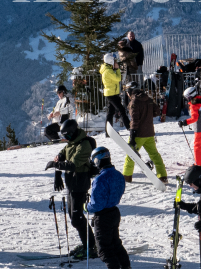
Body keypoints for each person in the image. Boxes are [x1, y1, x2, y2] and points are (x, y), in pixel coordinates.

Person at [45, 119, 98, 260]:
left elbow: (73, 164)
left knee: (77, 218)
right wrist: (57, 171)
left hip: (79, 184)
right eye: (64, 137)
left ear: (73, 133)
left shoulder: (84, 145)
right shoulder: (72, 142)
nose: (66, 139)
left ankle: (90, 247)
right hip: (71, 184)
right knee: (74, 217)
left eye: (67, 136)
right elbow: (62, 154)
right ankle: (89, 244)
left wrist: (57, 165)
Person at [86, 148, 130, 269]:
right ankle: (126, 266)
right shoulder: (118, 175)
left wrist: (86, 207)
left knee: (104, 250)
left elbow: (97, 204)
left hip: (103, 216)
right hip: (114, 212)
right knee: (115, 244)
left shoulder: (100, 179)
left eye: (94, 162)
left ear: (97, 161)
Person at [123, 81, 167, 184]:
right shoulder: (148, 99)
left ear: (130, 91)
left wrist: (132, 136)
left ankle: (126, 177)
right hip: (149, 133)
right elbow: (157, 112)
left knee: (130, 155)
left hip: (138, 134)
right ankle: (162, 176)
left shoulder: (134, 102)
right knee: (154, 155)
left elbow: (134, 120)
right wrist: (146, 115)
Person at [101, 53, 126, 133]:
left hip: (112, 93)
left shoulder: (108, 69)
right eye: (114, 60)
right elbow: (118, 78)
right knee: (121, 109)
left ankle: (108, 132)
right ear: (110, 61)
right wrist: (118, 69)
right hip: (111, 93)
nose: (115, 62)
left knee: (110, 113)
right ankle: (129, 127)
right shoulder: (108, 71)